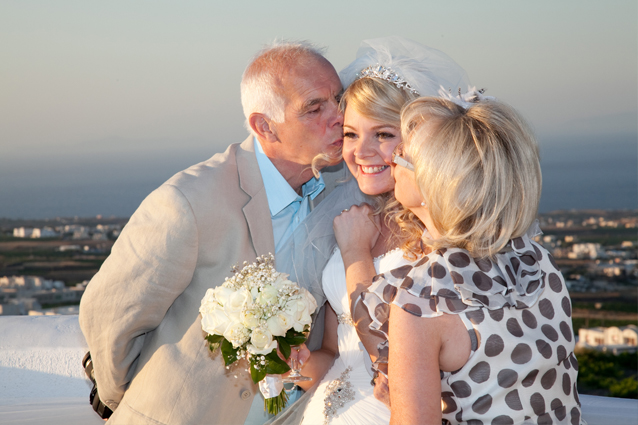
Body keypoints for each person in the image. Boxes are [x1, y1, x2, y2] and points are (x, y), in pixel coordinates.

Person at [79, 40, 347, 425]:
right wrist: (133, 403)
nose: (338, 117)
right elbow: (109, 313)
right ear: (264, 126)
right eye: (314, 107)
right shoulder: (188, 201)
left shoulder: (339, 197)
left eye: (338, 99)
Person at [342, 94, 584, 424]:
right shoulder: (536, 262)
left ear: (434, 184)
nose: (392, 157)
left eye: (404, 156)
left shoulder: (422, 296)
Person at [268, 37, 470, 425]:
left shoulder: (443, 234)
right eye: (350, 134)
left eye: (383, 134)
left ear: (420, 142)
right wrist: (293, 362)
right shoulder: (349, 217)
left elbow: (405, 364)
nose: (361, 152)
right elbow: (335, 351)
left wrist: (356, 254)